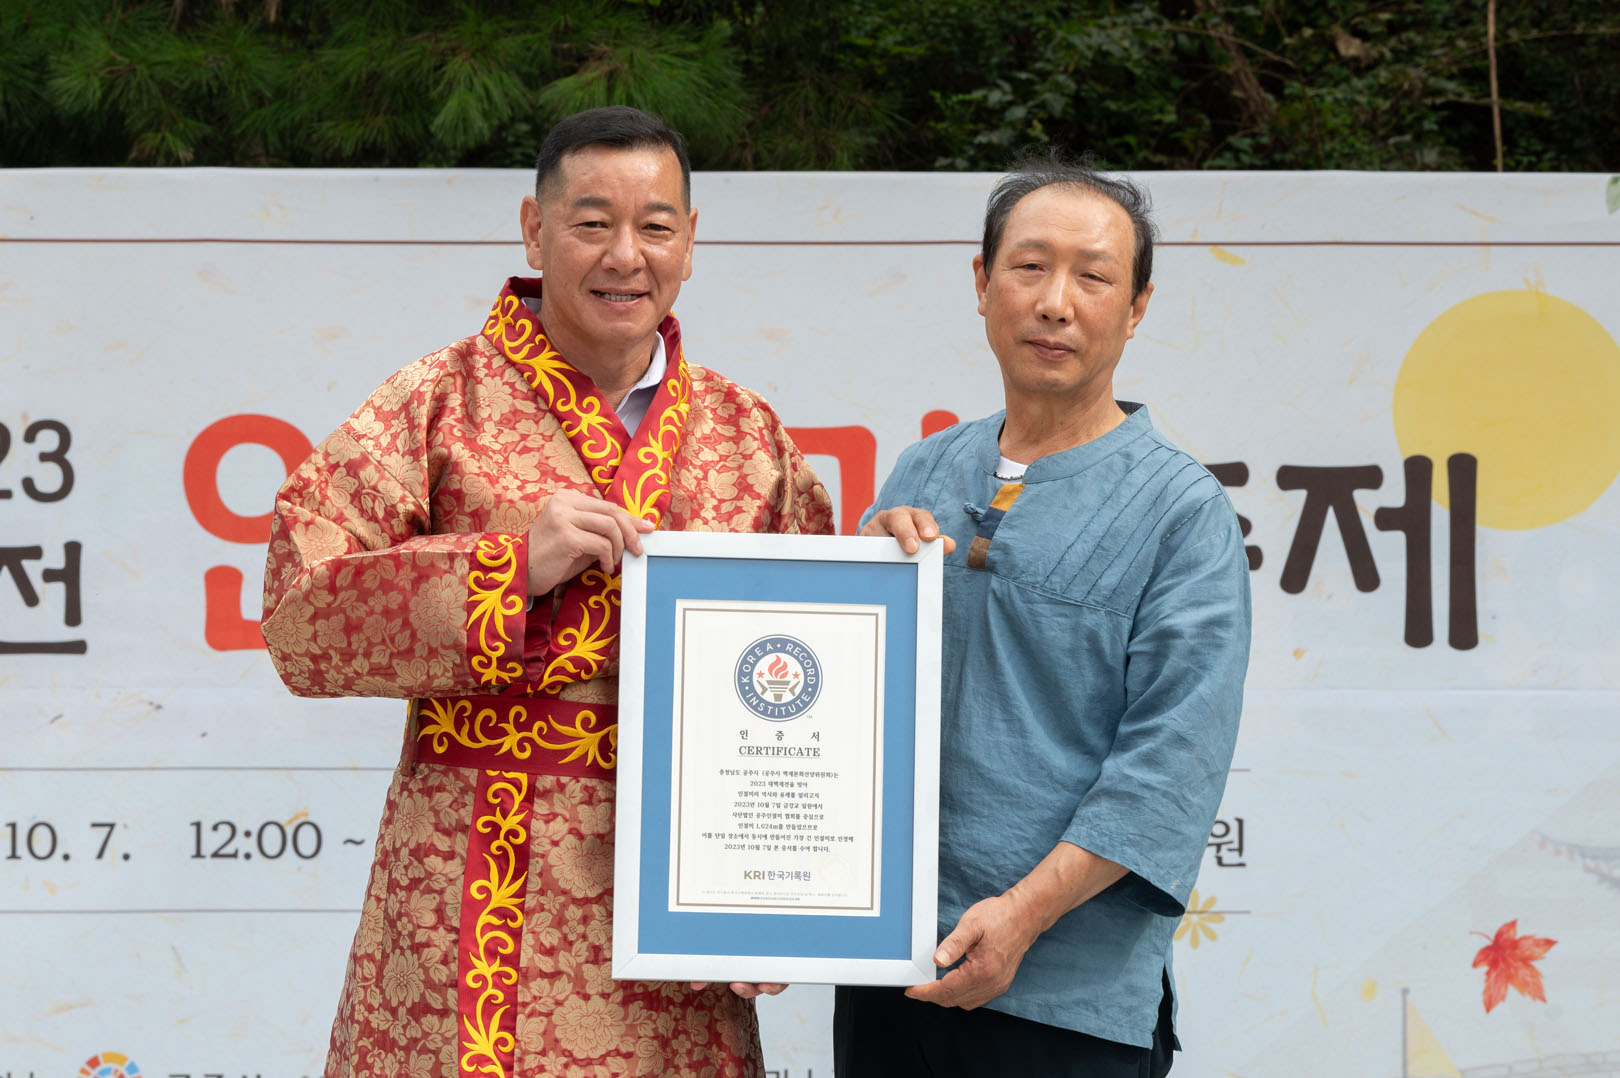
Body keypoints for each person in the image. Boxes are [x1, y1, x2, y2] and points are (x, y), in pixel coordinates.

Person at [261, 106, 831, 1078]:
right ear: (534, 230)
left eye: (655, 226)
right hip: (472, 889)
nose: (625, 256)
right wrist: (507, 568)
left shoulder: (750, 438)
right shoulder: (435, 403)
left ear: (691, 242)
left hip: (682, 895)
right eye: (592, 223)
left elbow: (815, 689)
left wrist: (781, 902)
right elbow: (298, 615)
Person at [842, 151, 1251, 1077]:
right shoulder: (923, 469)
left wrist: (1022, 916)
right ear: (982, 283)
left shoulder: (1183, 511)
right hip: (888, 969)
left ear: (1136, 307)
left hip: (1065, 1002)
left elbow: (1168, 770)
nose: (1056, 302)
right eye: (1029, 267)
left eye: (1094, 277)